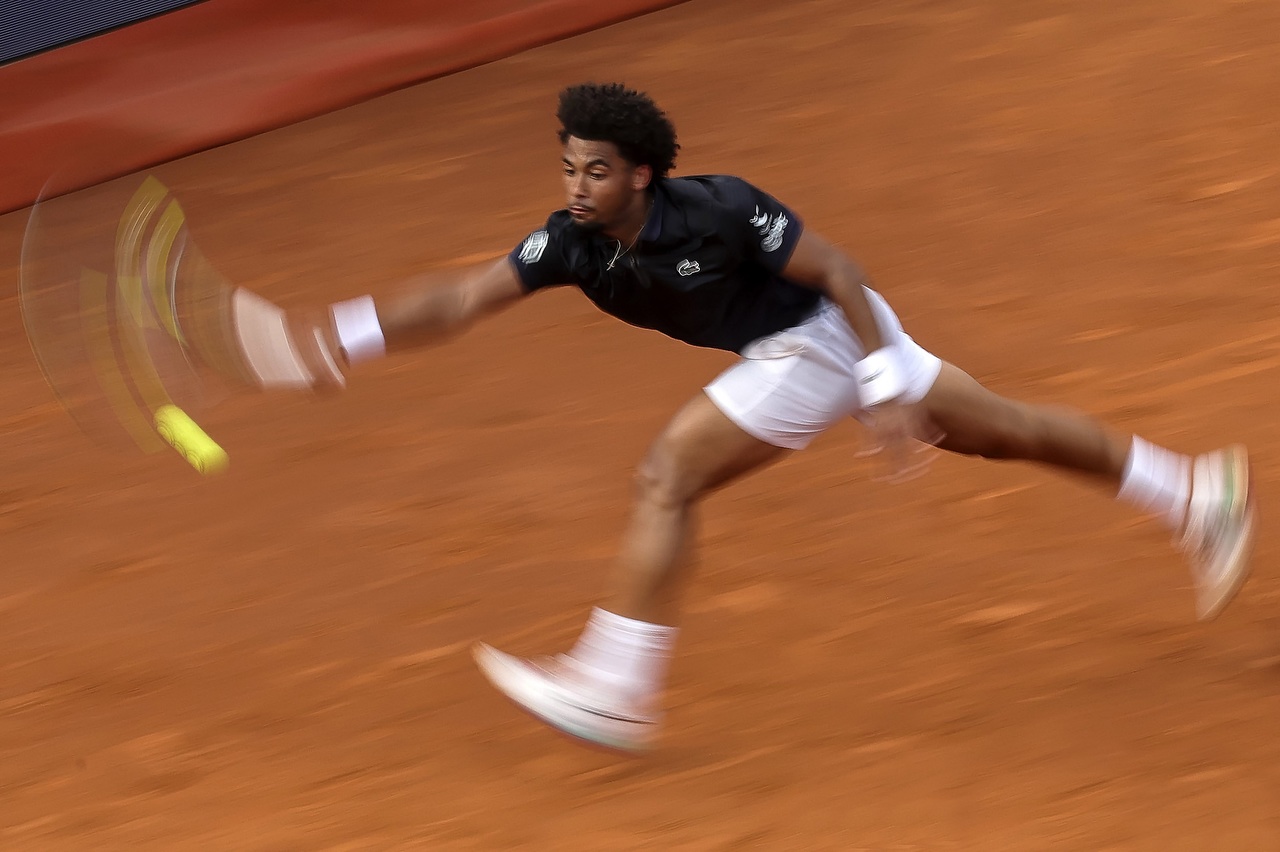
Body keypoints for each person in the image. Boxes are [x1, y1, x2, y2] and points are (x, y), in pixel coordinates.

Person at [269, 82, 1254, 753]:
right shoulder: (569, 243)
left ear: (641, 174)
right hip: (792, 351)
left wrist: (881, 387)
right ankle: (1193, 492)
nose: (575, 187)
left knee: (667, 476)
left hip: (822, 336)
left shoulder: (720, 208)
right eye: (569, 168)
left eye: (595, 171)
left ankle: (617, 684)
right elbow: (458, 299)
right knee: (1006, 430)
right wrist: (337, 339)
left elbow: (840, 272)